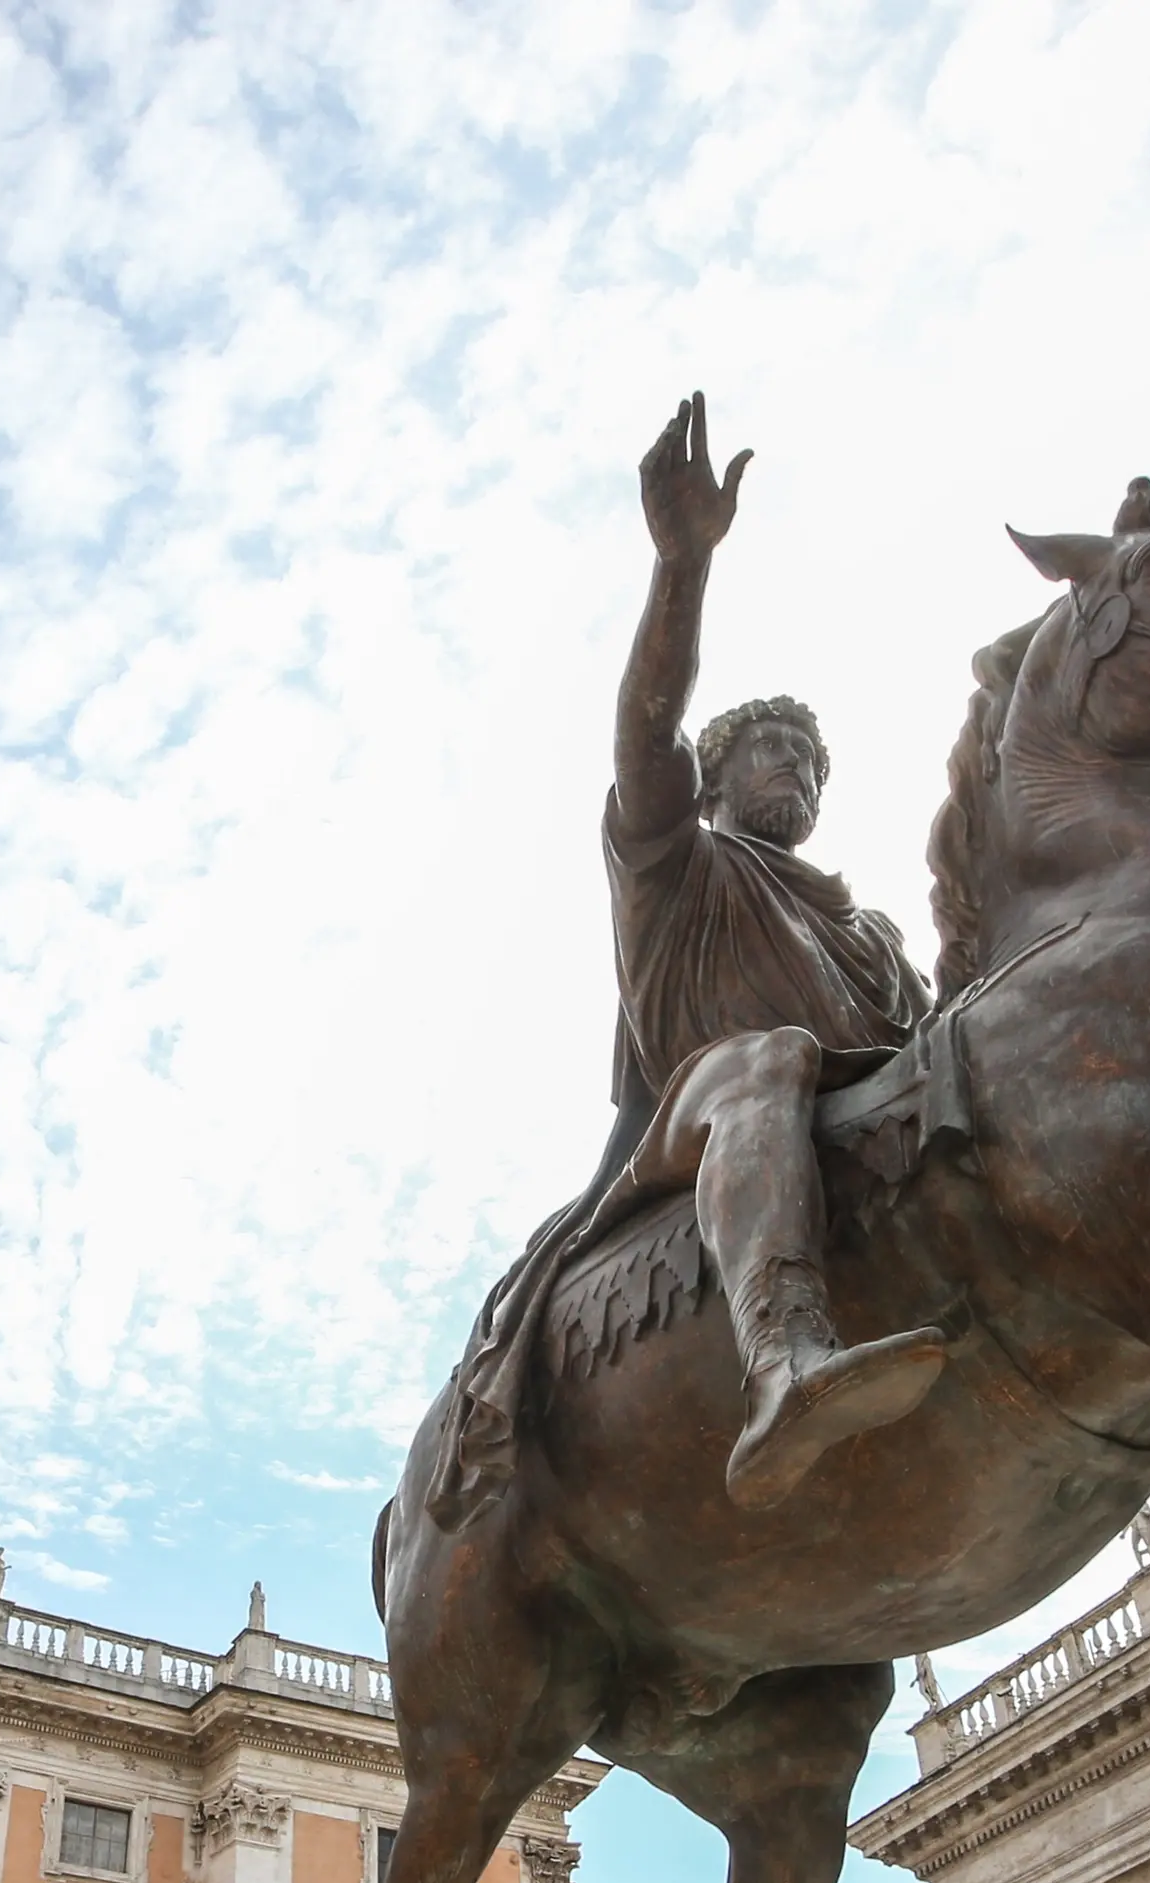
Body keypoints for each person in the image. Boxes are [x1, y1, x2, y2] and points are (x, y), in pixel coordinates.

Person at [431, 393, 944, 1522]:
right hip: (694, 1121)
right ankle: (782, 1353)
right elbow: (646, 732)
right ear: (714, 778)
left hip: (854, 1110)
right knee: (763, 1059)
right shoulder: (671, 861)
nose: (799, 770)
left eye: (812, 762)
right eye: (774, 748)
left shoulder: (869, 934)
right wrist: (683, 567)